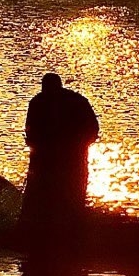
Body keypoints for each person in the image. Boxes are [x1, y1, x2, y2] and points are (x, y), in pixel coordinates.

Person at [21, 73, 99, 225]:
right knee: (47, 192)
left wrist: (78, 146)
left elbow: (92, 129)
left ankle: (69, 222)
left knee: (71, 190)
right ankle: (48, 223)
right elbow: (30, 130)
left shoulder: (75, 102)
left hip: (71, 157)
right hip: (46, 157)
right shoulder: (38, 102)